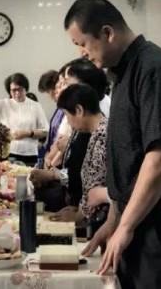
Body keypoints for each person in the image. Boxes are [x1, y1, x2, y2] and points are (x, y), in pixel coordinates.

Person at [66, 0, 161, 288]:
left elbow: (159, 160)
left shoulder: (154, 69)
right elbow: (128, 162)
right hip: (138, 223)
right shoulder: (122, 75)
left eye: (82, 43)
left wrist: (125, 225)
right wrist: (114, 221)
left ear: (107, 33)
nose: (82, 53)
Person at [55, 84, 109, 229]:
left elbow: (96, 182)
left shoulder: (102, 135)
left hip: (101, 219)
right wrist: (79, 208)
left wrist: (79, 215)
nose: (68, 121)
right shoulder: (94, 133)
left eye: (67, 115)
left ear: (79, 110)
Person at [0, 72, 48, 166]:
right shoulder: (5, 104)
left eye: (19, 89)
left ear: (25, 89)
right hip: (8, 153)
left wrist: (28, 133)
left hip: (29, 153)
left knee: (28, 179)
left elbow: (45, 131)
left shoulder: (36, 106)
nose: (17, 93)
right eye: (13, 90)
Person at [38, 70, 66, 157]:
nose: (48, 96)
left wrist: (50, 157)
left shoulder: (66, 108)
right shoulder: (59, 108)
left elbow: (62, 137)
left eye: (47, 92)